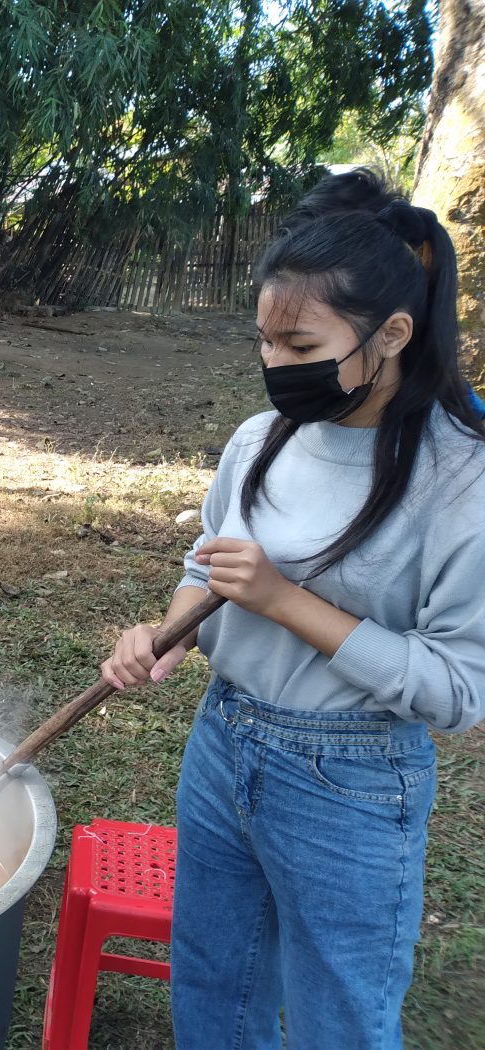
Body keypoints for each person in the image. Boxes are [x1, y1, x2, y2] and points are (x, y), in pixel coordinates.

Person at [99, 169, 485, 1049]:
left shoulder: (461, 477)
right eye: (264, 343)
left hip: (349, 782)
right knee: (212, 983)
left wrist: (283, 600)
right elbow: (209, 565)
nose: (277, 367)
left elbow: (460, 689)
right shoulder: (257, 440)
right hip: (225, 739)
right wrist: (162, 636)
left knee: (337, 1018)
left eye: (301, 345)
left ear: (392, 334)